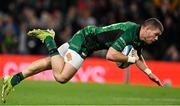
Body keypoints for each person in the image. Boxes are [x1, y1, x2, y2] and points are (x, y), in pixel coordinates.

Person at [2, 18, 163, 103]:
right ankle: (49, 39)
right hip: (85, 41)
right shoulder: (129, 31)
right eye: (155, 34)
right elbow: (111, 55)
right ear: (146, 29)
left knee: (48, 63)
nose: (156, 38)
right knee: (61, 77)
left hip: (87, 39)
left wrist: (149, 73)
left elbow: (138, 56)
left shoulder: (139, 38)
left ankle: (12, 80)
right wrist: (130, 59)